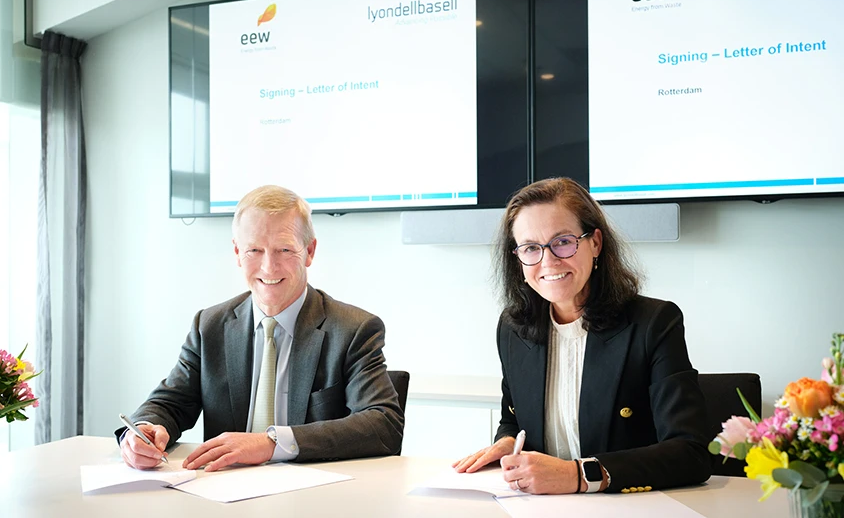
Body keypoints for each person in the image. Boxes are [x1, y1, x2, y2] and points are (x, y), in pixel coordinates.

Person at [118, 185, 404, 471]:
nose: (269, 267)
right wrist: (142, 431)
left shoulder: (354, 330)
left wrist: (271, 443)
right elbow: (169, 403)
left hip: (314, 497)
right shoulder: (210, 326)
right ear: (237, 252)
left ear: (310, 251)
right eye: (254, 250)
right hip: (224, 495)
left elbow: (383, 424)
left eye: (284, 249)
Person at [453, 177, 711, 494]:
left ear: (595, 243)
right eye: (531, 248)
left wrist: (580, 475)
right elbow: (515, 421)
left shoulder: (653, 323)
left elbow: (691, 454)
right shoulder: (513, 327)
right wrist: (507, 444)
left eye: (562, 242)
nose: (548, 261)